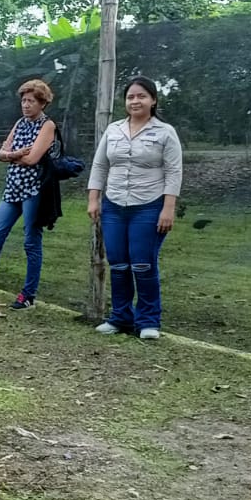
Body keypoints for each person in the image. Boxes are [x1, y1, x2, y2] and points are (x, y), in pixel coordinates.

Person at [88, 76, 183, 340]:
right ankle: (120, 317)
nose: (135, 101)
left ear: (153, 100)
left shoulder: (165, 132)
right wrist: (94, 198)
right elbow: (100, 165)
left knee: (142, 263)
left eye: (141, 96)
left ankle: (148, 321)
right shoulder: (114, 130)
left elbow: (174, 172)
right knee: (118, 263)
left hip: (148, 206)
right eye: (130, 97)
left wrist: (168, 208)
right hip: (114, 205)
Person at [0, 79, 59, 310]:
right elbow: (0, 154)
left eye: (31, 101)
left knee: (31, 242)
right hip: (12, 189)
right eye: (23, 100)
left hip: (33, 190)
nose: (26, 105)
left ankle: (28, 295)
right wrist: (15, 154)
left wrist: (11, 155)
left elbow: (32, 159)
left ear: (42, 103)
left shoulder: (47, 126)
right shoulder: (20, 123)